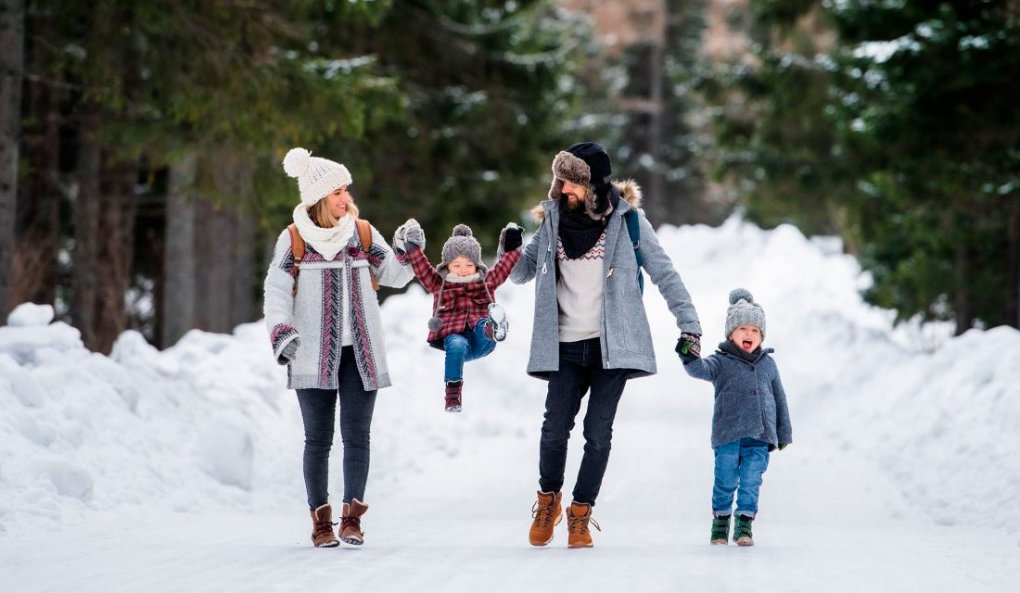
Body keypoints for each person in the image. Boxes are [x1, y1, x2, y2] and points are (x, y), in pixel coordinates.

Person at [510, 142, 703, 548]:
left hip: (610, 347)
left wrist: (690, 325)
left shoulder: (630, 222)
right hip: (562, 344)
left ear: (594, 184)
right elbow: (521, 273)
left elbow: (665, 274)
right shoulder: (552, 220)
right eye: (560, 181)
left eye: (572, 183)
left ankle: (580, 513)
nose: (563, 189)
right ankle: (548, 501)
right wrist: (508, 249)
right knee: (554, 429)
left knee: (597, 434)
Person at [263, 147, 413, 548]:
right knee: (317, 439)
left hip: (360, 354)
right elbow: (276, 290)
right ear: (318, 198)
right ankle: (321, 523)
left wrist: (409, 247)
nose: (345, 198)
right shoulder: (293, 240)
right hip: (311, 353)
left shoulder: (362, 234)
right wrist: (282, 333)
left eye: (346, 190)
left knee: (358, 437)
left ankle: (352, 520)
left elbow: (395, 274)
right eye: (337, 192)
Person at [678, 288, 793, 546]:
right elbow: (699, 369)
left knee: (751, 481)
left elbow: (780, 398)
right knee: (725, 481)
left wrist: (783, 432)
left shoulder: (768, 364)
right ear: (731, 334)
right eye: (743, 329)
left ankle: (744, 526)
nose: (749, 334)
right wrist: (687, 354)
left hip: (760, 436)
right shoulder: (721, 362)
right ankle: (720, 524)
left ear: (761, 336)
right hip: (727, 435)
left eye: (755, 330)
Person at [393, 220, 523, 412]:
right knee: (456, 343)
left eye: (469, 265)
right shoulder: (439, 284)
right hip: (455, 342)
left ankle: (493, 329)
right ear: (447, 266)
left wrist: (513, 245)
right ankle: (453, 396)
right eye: (457, 265)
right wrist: (412, 247)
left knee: (482, 324)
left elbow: (504, 267)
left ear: (477, 265)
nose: (463, 270)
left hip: (482, 342)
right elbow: (421, 267)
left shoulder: (485, 282)